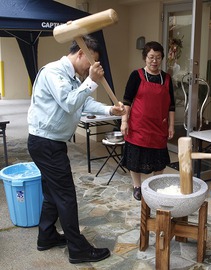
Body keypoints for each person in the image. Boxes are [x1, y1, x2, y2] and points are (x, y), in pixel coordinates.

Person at [27, 35, 125, 264]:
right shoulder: (54, 72)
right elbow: (70, 102)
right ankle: (77, 248)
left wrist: (111, 110)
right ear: (81, 53)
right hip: (46, 143)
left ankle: (47, 235)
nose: (91, 69)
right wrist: (90, 81)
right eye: (91, 63)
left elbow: (84, 104)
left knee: (53, 194)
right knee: (66, 196)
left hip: (49, 143)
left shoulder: (71, 77)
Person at [120, 41, 175, 201]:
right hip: (138, 126)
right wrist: (124, 121)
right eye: (151, 57)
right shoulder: (136, 75)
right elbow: (127, 101)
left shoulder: (166, 78)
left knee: (158, 160)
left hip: (159, 127)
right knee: (135, 159)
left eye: (158, 57)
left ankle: (154, 186)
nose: (154, 61)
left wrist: (171, 125)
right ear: (145, 57)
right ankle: (137, 186)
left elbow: (171, 105)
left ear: (162, 59)